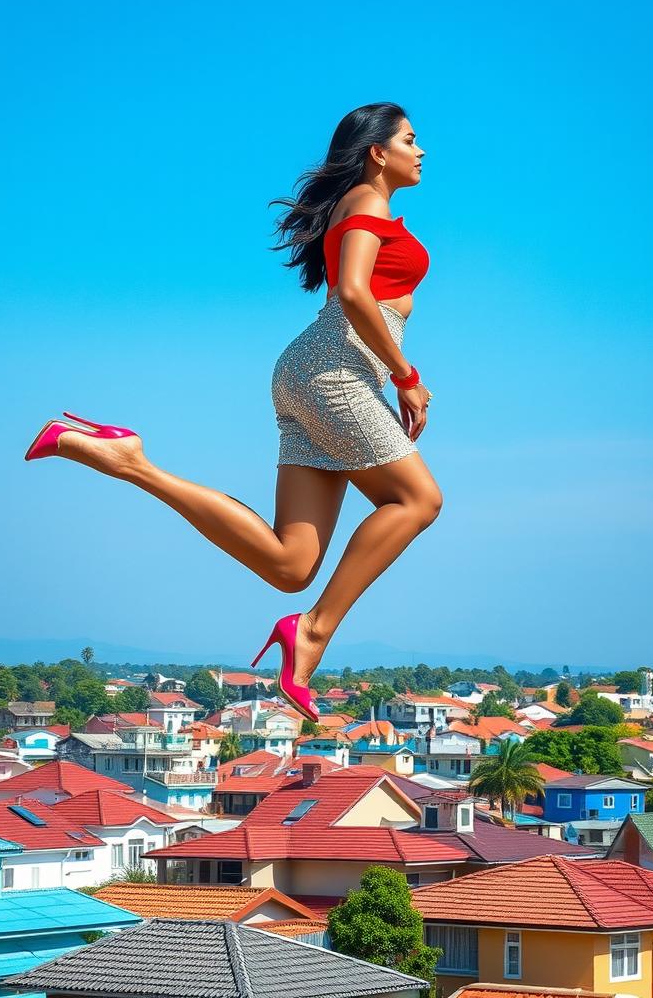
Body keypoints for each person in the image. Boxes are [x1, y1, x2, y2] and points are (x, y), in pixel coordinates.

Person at [24, 103, 441, 721]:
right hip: (336, 373)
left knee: (289, 563)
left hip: (317, 372)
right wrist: (406, 378)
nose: (423, 151)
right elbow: (353, 292)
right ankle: (315, 633)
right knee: (418, 500)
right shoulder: (368, 204)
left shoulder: (360, 206)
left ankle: (128, 459)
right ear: (378, 152)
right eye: (411, 140)